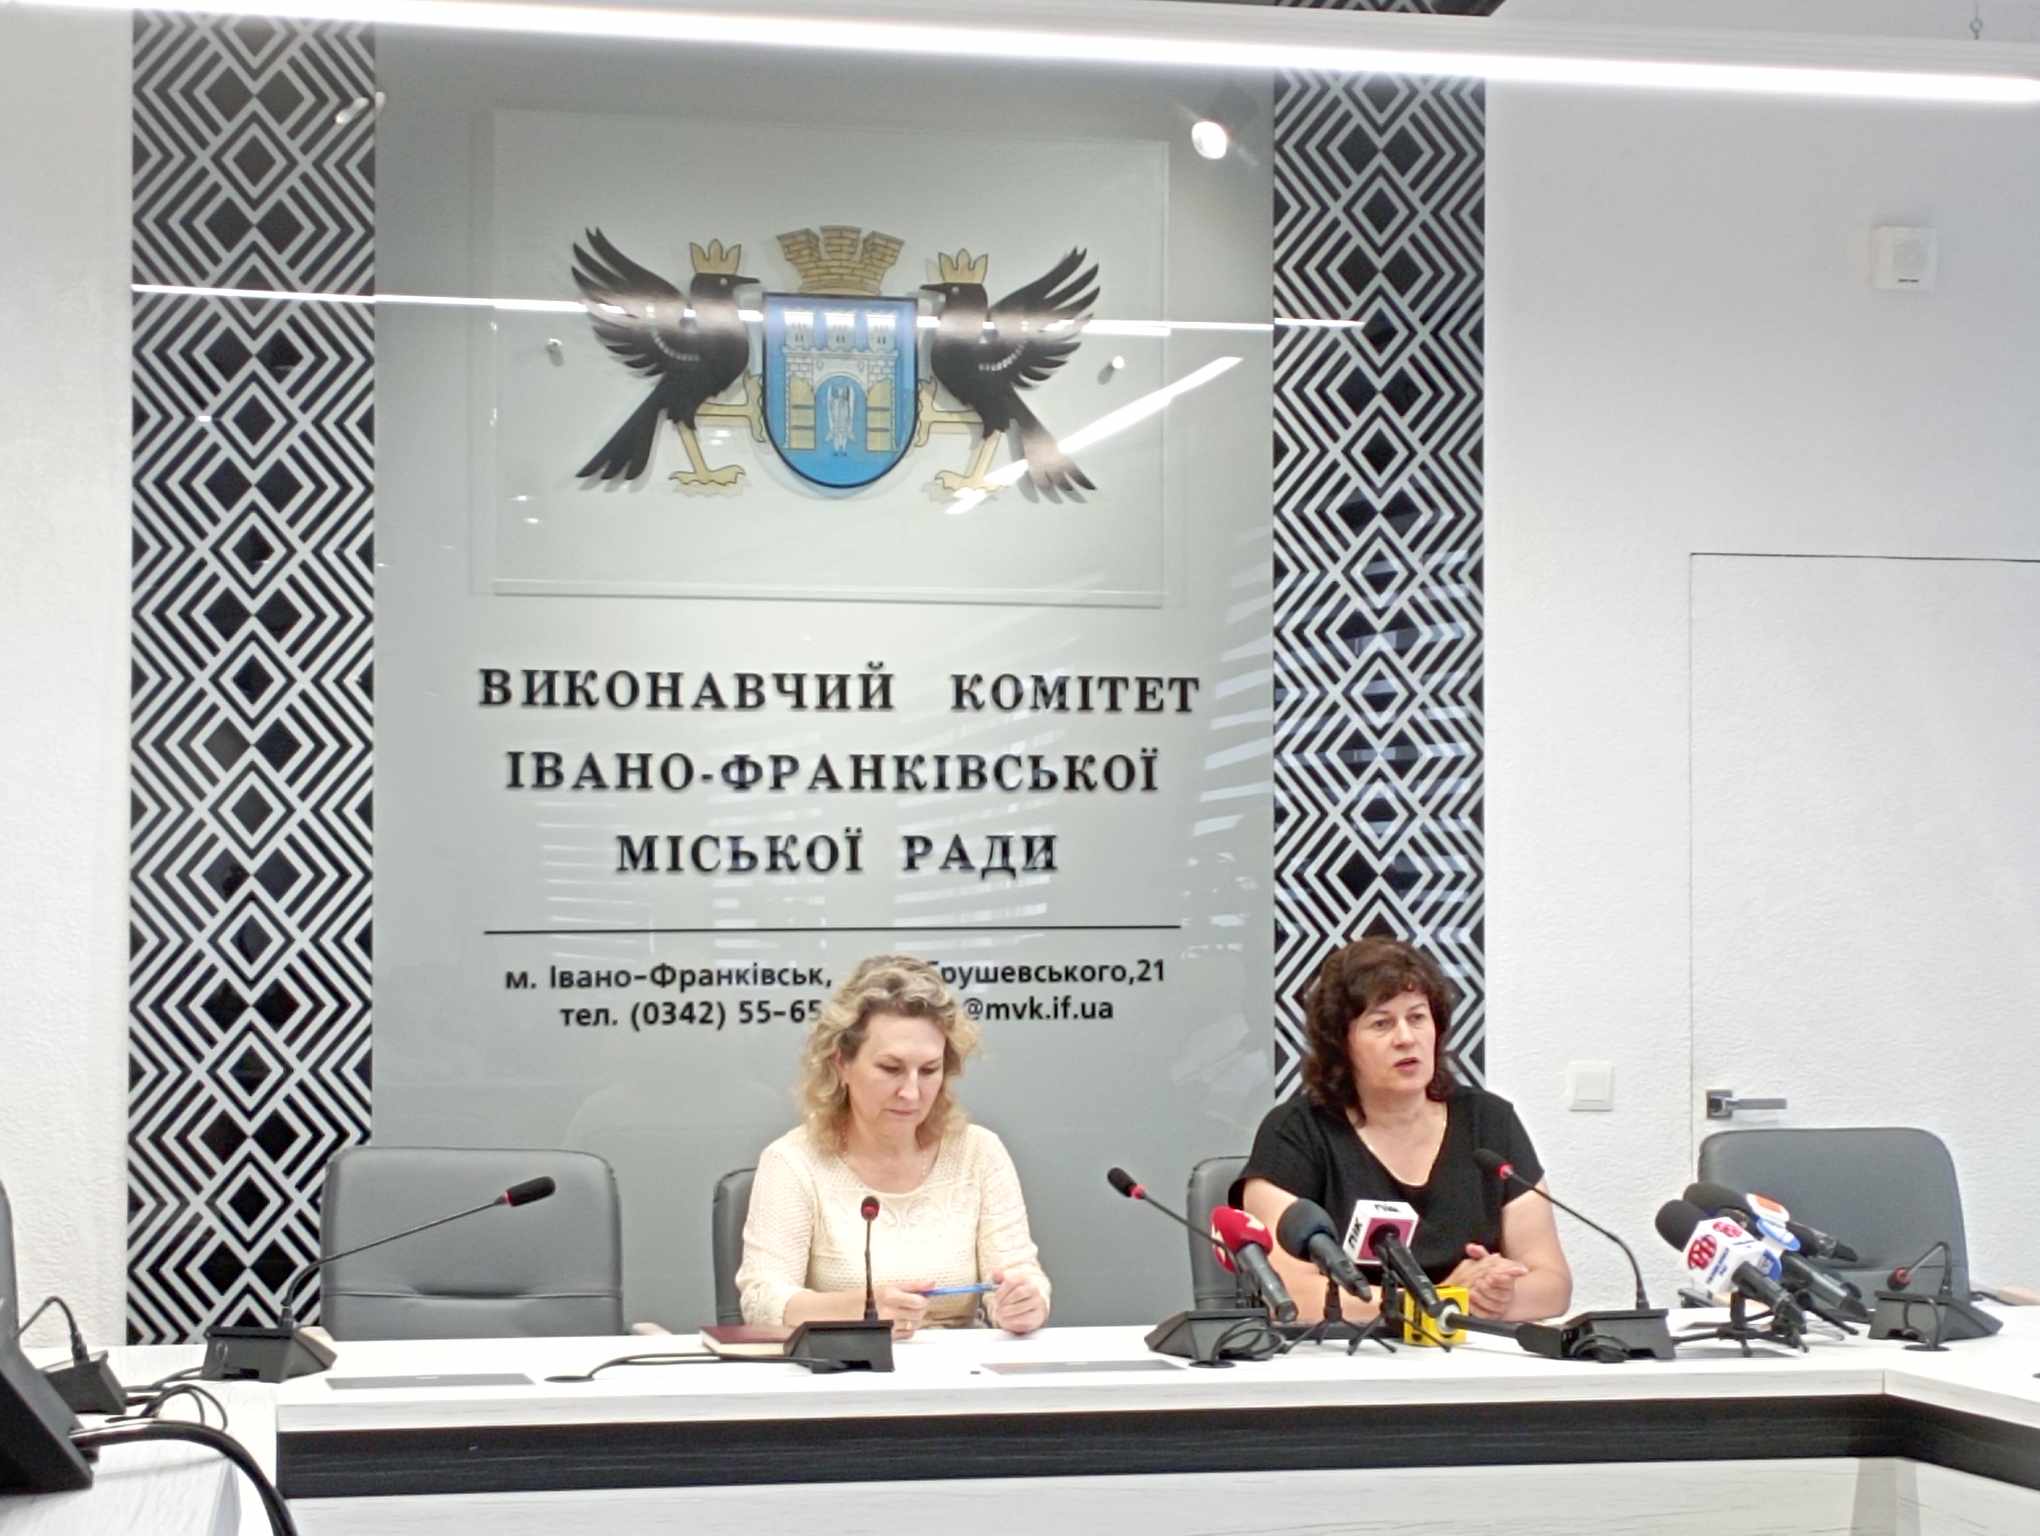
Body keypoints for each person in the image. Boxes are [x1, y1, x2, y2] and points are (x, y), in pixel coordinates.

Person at [1236, 936, 1571, 1323]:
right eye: (1381, 1023)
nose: (1406, 1038)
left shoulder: (1490, 1123)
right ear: (1341, 1044)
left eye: (1417, 1018)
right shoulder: (1295, 1133)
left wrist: (1495, 1292)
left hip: (1472, 1353)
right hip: (1350, 1354)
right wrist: (1438, 1302)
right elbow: (1288, 1294)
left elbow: (1553, 1285)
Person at [736, 954, 1051, 1338]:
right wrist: (860, 1310)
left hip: (962, 1369)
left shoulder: (979, 1153)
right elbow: (762, 1301)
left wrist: (1024, 1302)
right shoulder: (793, 1161)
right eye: (891, 1068)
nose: (911, 1092)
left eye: (930, 1070)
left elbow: (1020, 1273)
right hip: (846, 1367)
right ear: (841, 1063)